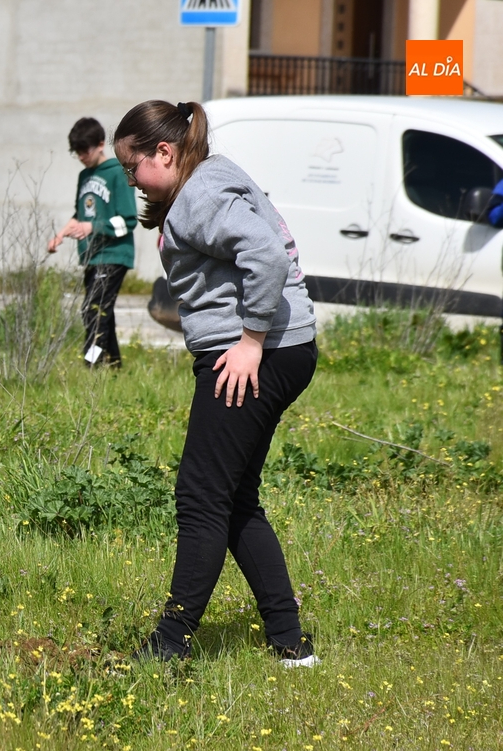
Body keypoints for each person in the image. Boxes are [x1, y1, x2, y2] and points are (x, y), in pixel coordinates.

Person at [113, 101, 320, 667]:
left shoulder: (200, 193)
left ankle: (170, 644)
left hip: (257, 354)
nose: (131, 180)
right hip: (278, 350)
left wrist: (250, 340)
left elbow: (266, 255)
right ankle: (291, 645)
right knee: (233, 498)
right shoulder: (206, 179)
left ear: (164, 152)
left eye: (132, 167)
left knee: (201, 496)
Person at [47, 117, 139, 368]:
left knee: (93, 310)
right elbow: (80, 214)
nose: (80, 156)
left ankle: (92, 364)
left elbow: (129, 220)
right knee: (101, 311)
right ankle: (114, 366)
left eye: (84, 150)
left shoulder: (118, 172)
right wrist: (61, 234)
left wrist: (93, 227)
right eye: (76, 152)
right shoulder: (85, 176)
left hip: (114, 254)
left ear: (100, 144)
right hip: (92, 256)